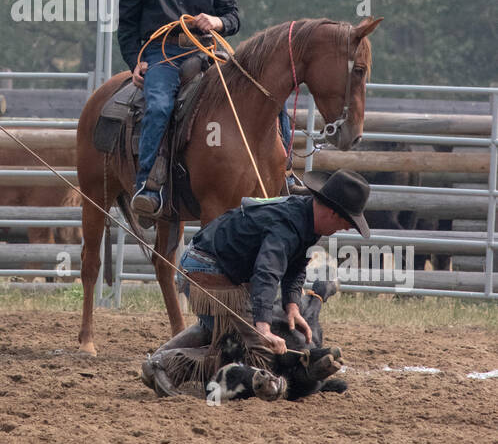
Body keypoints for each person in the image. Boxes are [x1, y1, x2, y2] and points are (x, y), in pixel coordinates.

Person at [141, 169, 371, 396]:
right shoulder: (289, 224)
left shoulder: (305, 219)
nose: (348, 227)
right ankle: (164, 364)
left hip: (210, 266)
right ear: (332, 213)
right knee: (255, 349)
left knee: (219, 329)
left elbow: (296, 266)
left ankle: (159, 360)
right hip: (209, 271)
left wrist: (292, 306)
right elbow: (266, 272)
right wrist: (262, 327)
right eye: (347, 221)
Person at [117, 0, 240, 218]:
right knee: (157, 107)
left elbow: (234, 16)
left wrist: (215, 21)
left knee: (259, 89)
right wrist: (135, 62)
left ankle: (283, 173)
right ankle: (148, 186)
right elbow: (127, 24)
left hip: (209, 51)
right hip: (162, 53)